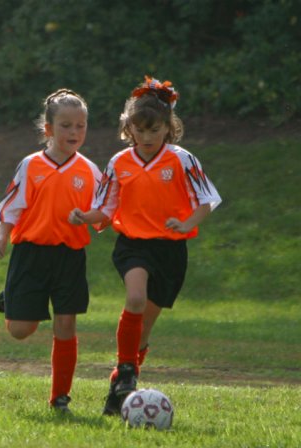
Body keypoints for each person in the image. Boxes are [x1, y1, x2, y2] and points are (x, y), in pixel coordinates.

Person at [67, 76, 222, 415]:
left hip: (170, 250)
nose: (148, 137)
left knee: (145, 327)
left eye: (156, 131)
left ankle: (120, 386)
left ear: (169, 129)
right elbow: (105, 207)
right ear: (129, 129)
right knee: (135, 298)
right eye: (141, 130)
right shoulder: (119, 162)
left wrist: (186, 224)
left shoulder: (183, 160)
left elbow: (207, 200)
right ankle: (125, 371)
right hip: (133, 245)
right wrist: (84, 216)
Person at [0, 89, 102, 413]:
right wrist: (1, 235)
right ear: (49, 129)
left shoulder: (90, 171)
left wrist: (87, 217)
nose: (74, 132)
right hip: (31, 253)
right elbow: (12, 207)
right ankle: (12, 298)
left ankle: (60, 398)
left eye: (80, 126)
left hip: (70, 256)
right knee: (20, 331)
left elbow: (104, 214)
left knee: (66, 324)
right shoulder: (31, 165)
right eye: (66, 125)